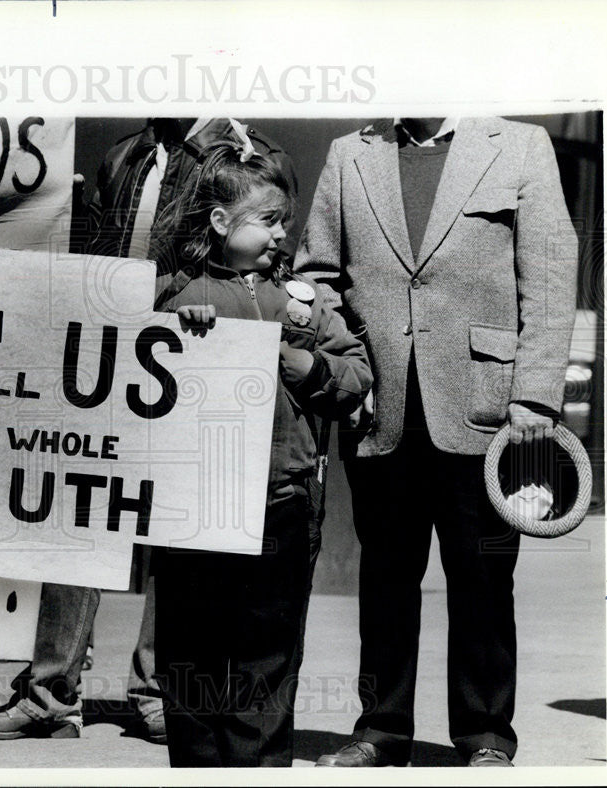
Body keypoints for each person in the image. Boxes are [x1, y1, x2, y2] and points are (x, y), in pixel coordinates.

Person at [0, 118, 300, 744]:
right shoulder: (125, 154)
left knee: (178, 531)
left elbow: (270, 258)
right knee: (82, 511)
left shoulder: (249, 154)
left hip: (192, 360)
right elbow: (92, 248)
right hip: (111, 352)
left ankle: (156, 695)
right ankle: (49, 693)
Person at [293, 117, 577, 767]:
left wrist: (534, 393)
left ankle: (485, 737)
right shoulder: (350, 154)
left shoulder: (521, 146)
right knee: (386, 576)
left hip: (491, 410)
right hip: (378, 406)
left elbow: (551, 277)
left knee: (483, 579)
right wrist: (344, 370)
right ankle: (381, 729)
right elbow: (318, 279)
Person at [151, 141, 373, 766]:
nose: (283, 233)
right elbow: (124, 364)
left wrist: (310, 367)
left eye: (285, 220)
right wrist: (171, 322)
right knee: (191, 655)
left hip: (282, 502)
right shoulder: (174, 292)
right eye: (268, 219)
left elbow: (356, 371)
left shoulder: (303, 300)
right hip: (193, 511)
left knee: (268, 656)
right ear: (221, 223)